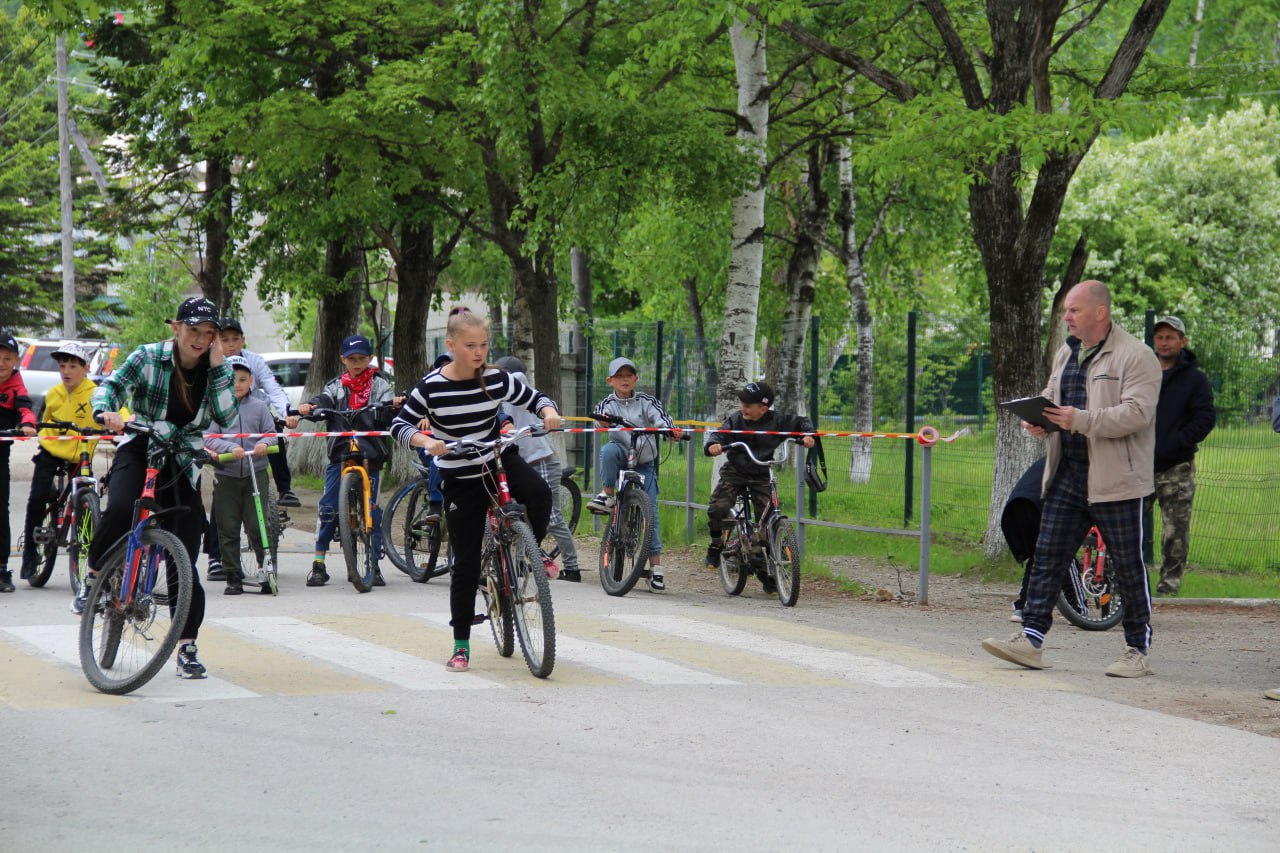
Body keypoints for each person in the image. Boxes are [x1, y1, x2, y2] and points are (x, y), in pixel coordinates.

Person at [982, 280, 1160, 678]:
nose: (1066, 318)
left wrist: (1079, 420)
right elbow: (1052, 394)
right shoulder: (1067, 352)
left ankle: (1137, 650)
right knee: (1048, 557)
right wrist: (1043, 420)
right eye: (1065, 311)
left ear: (1101, 312)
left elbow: (1137, 414)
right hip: (1068, 473)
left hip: (1116, 480)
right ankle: (1030, 639)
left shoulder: (1137, 356)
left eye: (1073, 311)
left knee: (1129, 565)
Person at [390, 307, 561, 673]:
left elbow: (536, 397)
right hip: (459, 473)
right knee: (465, 564)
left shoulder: (496, 379)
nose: (479, 352)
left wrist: (549, 413)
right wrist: (424, 439)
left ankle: (527, 552)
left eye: (484, 344)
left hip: (496, 457)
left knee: (540, 494)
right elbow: (399, 424)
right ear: (452, 346)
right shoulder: (432, 386)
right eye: (471, 346)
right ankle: (461, 644)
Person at [85, 297, 238, 679]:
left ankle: (186, 645)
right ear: (176, 328)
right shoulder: (148, 357)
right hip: (141, 443)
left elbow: (225, 416)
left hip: (183, 458)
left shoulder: (216, 368)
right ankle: (92, 575)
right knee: (121, 508)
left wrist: (219, 368)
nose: (200, 340)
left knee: (184, 553)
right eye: (193, 331)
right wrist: (106, 411)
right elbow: (113, 386)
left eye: (208, 333)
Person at [297, 334, 398, 588]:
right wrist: (312, 406)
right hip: (340, 453)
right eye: (351, 359)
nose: (356, 363)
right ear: (343, 360)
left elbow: (388, 410)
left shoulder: (380, 386)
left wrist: (393, 406)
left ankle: (373, 565)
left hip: (370, 455)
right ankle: (319, 563)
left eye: (361, 358)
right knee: (329, 507)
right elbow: (324, 400)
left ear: (370, 359)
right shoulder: (335, 386)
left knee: (371, 509)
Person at [19, 342, 123, 586]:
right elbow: (43, 420)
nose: (66, 371)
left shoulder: (95, 392)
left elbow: (121, 412)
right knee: (37, 497)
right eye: (62, 365)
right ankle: (30, 554)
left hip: (81, 452)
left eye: (73, 366)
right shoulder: (53, 393)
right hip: (51, 450)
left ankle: (86, 542)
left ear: (85, 369)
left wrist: (123, 423)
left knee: (89, 492)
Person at [703, 380, 814, 593]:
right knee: (718, 508)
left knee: (766, 525)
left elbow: (802, 422)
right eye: (741, 403)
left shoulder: (777, 421)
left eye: (748, 404)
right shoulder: (736, 420)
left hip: (762, 472)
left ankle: (768, 572)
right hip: (735, 471)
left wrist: (808, 435)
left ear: (763, 408)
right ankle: (716, 543)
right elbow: (719, 434)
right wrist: (713, 445)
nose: (742, 408)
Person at [586, 356, 683, 591]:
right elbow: (599, 418)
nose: (625, 379)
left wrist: (670, 430)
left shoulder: (647, 401)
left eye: (629, 375)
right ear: (610, 380)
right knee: (607, 451)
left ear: (636, 378)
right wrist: (604, 423)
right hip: (621, 456)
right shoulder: (607, 403)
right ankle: (608, 495)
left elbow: (662, 419)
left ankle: (656, 569)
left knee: (651, 512)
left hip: (644, 463)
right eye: (619, 376)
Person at [1143, 316, 1215, 596]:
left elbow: (1206, 418)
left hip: (1177, 467)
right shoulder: (1143, 373)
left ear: (1182, 342)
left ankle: (1168, 587)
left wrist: (1178, 441)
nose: (1164, 342)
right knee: (1125, 526)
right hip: (1139, 464)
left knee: (1175, 531)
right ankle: (1125, 583)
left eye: (1170, 337)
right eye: (1159, 337)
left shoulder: (1195, 380)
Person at [493, 355, 581, 583]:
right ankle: (522, 561)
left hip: (540, 460)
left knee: (552, 516)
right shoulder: (499, 400)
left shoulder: (516, 387)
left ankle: (572, 568)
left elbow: (518, 377)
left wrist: (506, 376)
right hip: (523, 462)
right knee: (524, 515)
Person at [203, 355, 278, 595]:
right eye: (232, 380)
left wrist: (264, 443)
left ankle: (267, 571)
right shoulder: (217, 408)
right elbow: (209, 438)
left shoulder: (259, 407)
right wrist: (229, 448)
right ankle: (233, 574)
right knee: (228, 526)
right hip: (226, 475)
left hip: (256, 473)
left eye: (243, 379)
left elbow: (271, 433)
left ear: (251, 381)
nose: (237, 384)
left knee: (258, 526)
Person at [0, 331, 37, 593]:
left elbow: (26, 410)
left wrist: (26, 425)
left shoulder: (17, 386)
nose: (1, 363)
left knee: (1, 509)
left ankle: (2, 569)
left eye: (7, 358)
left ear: (15, 362)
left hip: (1, 456)